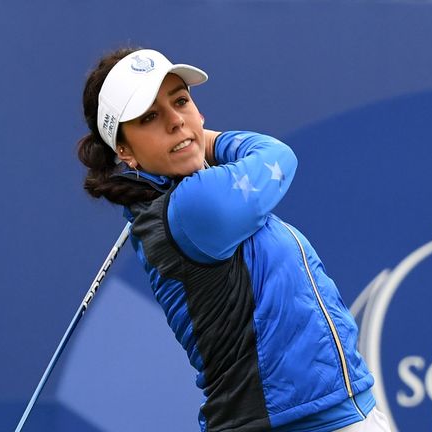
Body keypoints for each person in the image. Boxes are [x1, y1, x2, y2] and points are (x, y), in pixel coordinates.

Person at [77, 47, 391, 432]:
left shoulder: (181, 202)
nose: (176, 120)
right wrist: (205, 140)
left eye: (181, 102)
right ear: (124, 152)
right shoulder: (193, 209)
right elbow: (278, 156)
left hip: (332, 414)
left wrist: (185, 141)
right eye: (150, 117)